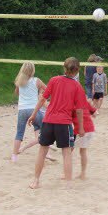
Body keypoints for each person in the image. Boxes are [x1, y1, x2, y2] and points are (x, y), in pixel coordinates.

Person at [27, 57, 85, 189]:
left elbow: (42, 99)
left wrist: (33, 114)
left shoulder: (54, 80)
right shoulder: (77, 86)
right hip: (64, 123)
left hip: (48, 121)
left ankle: (35, 181)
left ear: (64, 68)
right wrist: (80, 128)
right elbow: (79, 110)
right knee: (66, 153)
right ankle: (68, 183)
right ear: (77, 71)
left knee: (42, 152)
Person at [11, 62, 46, 163]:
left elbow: (17, 93)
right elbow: (48, 89)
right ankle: (46, 153)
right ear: (32, 70)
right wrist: (41, 93)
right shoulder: (36, 80)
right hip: (33, 109)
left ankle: (14, 156)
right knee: (44, 130)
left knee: (19, 133)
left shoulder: (19, 80)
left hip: (22, 109)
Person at [72, 90, 97, 180]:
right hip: (90, 129)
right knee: (82, 151)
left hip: (81, 130)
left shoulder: (72, 104)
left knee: (69, 151)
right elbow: (95, 113)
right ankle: (82, 173)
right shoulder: (85, 102)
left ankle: (81, 174)